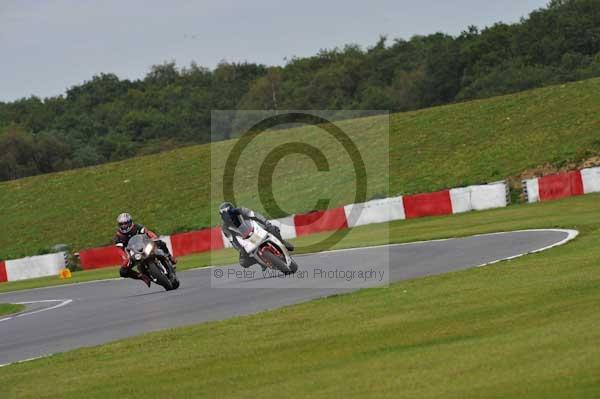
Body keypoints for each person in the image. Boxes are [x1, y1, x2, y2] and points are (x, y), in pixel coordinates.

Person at [219, 202, 294, 269]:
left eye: (229, 213)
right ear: (222, 216)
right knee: (243, 262)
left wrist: (267, 223)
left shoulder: (241, 210)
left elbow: (256, 216)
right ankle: (260, 261)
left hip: (257, 229)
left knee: (273, 229)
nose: (228, 216)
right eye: (225, 215)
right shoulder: (225, 227)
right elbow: (233, 241)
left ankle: (282, 242)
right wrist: (241, 250)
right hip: (246, 240)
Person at [113, 212, 177, 287]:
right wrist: (126, 258)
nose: (124, 226)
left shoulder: (137, 227)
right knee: (122, 272)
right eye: (121, 224)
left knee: (161, 243)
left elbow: (148, 232)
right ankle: (142, 277)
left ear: (130, 222)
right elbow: (120, 249)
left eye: (125, 223)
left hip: (145, 247)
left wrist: (154, 238)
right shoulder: (119, 236)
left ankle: (170, 257)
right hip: (134, 254)